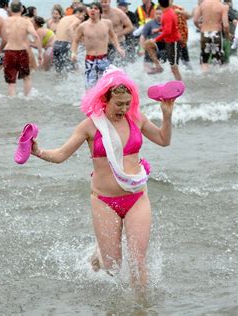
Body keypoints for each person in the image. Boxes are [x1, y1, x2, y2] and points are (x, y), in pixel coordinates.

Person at [30, 67, 177, 297]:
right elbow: (60, 155)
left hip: (137, 197)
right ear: (104, 100)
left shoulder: (136, 119)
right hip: (104, 201)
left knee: (138, 263)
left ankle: (142, 309)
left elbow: (163, 139)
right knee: (112, 269)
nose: (124, 109)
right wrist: (37, 151)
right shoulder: (90, 126)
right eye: (118, 104)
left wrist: (167, 115)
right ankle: (99, 255)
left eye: (128, 103)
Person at [0, 1, 42, 96]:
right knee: (26, 78)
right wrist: (40, 53)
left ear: (10, 9)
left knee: (11, 82)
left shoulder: (5, 21)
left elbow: (3, 38)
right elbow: (36, 36)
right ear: (22, 9)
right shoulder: (26, 22)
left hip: (9, 52)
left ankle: (12, 101)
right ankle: (27, 98)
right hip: (22, 52)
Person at [144, 0, 182, 80]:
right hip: (168, 41)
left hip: (174, 42)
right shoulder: (169, 11)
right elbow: (169, 26)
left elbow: (168, 31)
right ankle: (158, 67)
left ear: (160, 5)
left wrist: (156, 39)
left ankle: (180, 84)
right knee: (148, 44)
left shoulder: (167, 14)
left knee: (174, 67)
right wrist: (159, 30)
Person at [193, 0, 230, 71]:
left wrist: (199, 27)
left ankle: (205, 78)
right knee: (217, 59)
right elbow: (226, 25)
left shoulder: (202, 5)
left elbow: (195, 20)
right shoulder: (223, 6)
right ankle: (217, 80)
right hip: (216, 34)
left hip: (205, 33)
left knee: (204, 59)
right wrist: (227, 35)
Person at [52, 6, 87, 74]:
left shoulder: (64, 18)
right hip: (64, 45)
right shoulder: (77, 19)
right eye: (83, 15)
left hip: (56, 45)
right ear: (77, 13)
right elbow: (70, 28)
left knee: (58, 71)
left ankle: (57, 84)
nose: (83, 17)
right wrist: (75, 41)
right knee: (72, 70)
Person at [100, 0, 134, 65]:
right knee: (105, 67)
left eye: (105, 2)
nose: (103, 4)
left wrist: (116, 35)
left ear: (109, 2)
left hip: (119, 42)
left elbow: (130, 27)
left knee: (120, 65)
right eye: (102, 2)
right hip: (104, 45)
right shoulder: (98, 14)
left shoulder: (118, 12)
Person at [139, 8, 166, 72]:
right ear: (154, 14)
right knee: (148, 49)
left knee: (163, 56)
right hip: (152, 46)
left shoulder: (166, 23)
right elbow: (142, 36)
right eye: (157, 14)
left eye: (160, 14)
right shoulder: (149, 24)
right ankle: (148, 73)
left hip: (164, 47)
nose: (158, 15)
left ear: (163, 15)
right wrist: (141, 49)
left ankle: (159, 68)